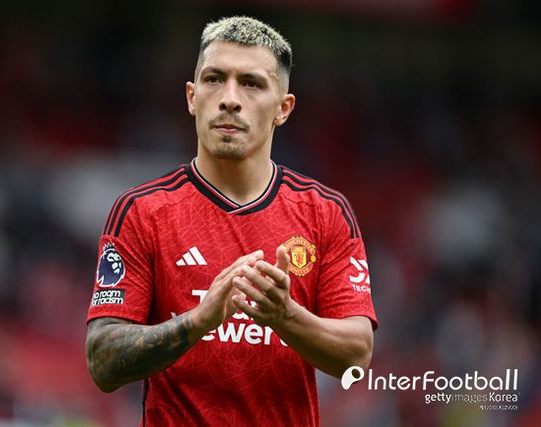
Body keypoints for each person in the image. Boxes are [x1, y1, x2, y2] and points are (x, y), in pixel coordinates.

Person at [86, 16, 377, 426]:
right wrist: (199, 320)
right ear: (192, 97)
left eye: (251, 84)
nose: (229, 99)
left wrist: (284, 316)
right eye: (214, 79)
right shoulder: (142, 211)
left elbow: (357, 357)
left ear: (283, 109)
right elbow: (102, 361)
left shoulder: (325, 212)